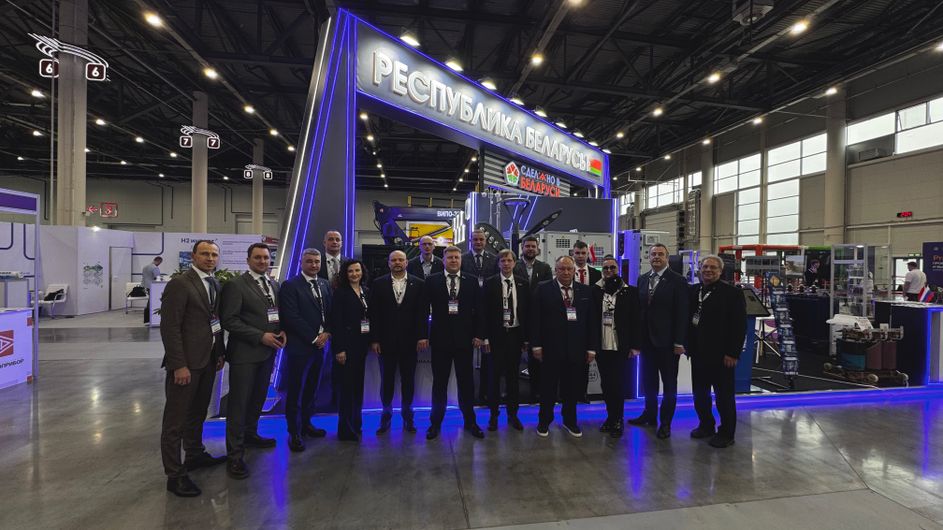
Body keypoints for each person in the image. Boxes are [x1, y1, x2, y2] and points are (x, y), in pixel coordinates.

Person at [159, 240, 226, 498]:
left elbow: (215, 322)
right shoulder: (180, 284)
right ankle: (174, 475)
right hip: (186, 364)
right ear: (194, 256)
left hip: (207, 361)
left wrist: (219, 353)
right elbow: (170, 328)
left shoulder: (214, 283)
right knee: (174, 422)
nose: (210, 258)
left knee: (198, 413)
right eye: (205, 254)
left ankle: (195, 454)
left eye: (214, 254)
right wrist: (179, 365)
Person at [218, 243, 282, 480]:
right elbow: (229, 320)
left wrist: (281, 330)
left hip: (267, 353)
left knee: (257, 399)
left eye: (266, 258)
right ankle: (235, 455)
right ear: (248, 260)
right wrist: (260, 336)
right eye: (258, 258)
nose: (263, 261)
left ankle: (250, 434)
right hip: (245, 354)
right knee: (239, 404)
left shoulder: (272, 284)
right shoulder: (236, 285)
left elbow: (274, 314)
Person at [530, 255, 600, 438]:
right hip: (550, 348)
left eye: (569, 269)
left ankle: (570, 420)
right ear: (556, 270)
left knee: (572, 388)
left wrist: (591, 348)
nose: (566, 272)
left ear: (574, 270)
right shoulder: (543, 289)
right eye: (562, 269)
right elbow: (535, 319)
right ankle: (544, 421)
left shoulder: (585, 291)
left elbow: (592, 321)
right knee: (548, 388)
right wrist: (536, 345)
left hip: (576, 349)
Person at [424, 245, 486, 440]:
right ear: (443, 260)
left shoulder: (472, 281)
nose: (453, 260)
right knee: (439, 384)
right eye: (449, 257)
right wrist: (423, 335)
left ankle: (470, 421)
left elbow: (480, 311)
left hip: (465, 341)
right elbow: (423, 310)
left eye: (456, 258)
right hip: (440, 340)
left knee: (466, 383)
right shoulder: (432, 281)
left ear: (461, 260)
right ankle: (435, 423)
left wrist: (479, 335)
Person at [628, 243, 689, 440]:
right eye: (653, 254)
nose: (656, 257)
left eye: (660, 254)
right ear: (649, 257)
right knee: (649, 382)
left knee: (669, 385)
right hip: (647, 342)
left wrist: (679, 341)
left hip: (668, 343)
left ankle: (666, 423)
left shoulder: (678, 281)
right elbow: (640, 312)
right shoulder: (643, 279)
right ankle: (650, 414)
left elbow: (682, 313)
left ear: (667, 257)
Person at [687, 255, 746, 448]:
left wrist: (733, 353)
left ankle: (727, 433)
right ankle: (706, 425)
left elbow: (739, 326)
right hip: (698, 354)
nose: (708, 270)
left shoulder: (732, 294)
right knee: (700, 394)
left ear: (720, 271)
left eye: (713, 267)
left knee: (724, 397)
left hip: (722, 356)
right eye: (705, 267)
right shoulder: (694, 290)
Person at [278, 249, 331, 453]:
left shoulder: (324, 284)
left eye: (317, 261)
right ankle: (294, 431)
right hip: (300, 347)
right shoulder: (290, 285)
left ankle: (307, 424)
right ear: (301, 262)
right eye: (309, 261)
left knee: (312, 388)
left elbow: (330, 312)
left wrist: (327, 333)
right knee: (296, 390)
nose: (314, 265)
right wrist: (314, 338)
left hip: (320, 347)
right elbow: (291, 317)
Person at [369, 250, 428, 435]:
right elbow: (374, 314)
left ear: (406, 263)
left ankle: (407, 415)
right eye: (393, 260)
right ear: (388, 263)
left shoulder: (419, 283)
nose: (397, 262)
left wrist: (422, 336)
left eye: (400, 259)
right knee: (387, 380)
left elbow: (422, 313)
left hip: (410, 342)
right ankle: (386, 415)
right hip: (385, 342)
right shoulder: (378, 284)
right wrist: (375, 339)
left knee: (408, 380)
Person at [593, 255, 642, 438]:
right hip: (602, 345)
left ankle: (618, 419)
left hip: (621, 346)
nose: (609, 271)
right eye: (605, 268)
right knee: (606, 384)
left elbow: (636, 320)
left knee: (618, 384)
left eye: (612, 267)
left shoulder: (630, 292)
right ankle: (610, 417)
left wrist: (635, 346)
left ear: (618, 269)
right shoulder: (595, 291)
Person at [481, 249, 529, 431]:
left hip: (515, 335)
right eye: (503, 261)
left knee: (513, 378)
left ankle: (513, 414)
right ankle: (493, 415)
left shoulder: (523, 283)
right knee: (494, 377)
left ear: (514, 263)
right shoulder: (490, 283)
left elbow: (527, 313)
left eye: (509, 260)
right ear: (499, 263)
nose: (506, 264)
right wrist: (485, 338)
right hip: (496, 336)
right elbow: (484, 313)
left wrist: (526, 339)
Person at [330, 259, 371, 442]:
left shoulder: (365, 291)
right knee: (346, 390)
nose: (354, 274)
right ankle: (345, 430)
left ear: (362, 272)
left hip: (361, 346)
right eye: (350, 271)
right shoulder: (341, 293)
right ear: (345, 274)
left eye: (357, 270)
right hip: (346, 347)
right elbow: (336, 323)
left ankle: (356, 424)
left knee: (357, 388)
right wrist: (339, 349)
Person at [514, 235, 552, 404]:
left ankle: (536, 393)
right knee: (514, 358)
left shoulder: (544, 268)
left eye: (533, 246)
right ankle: (513, 393)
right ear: (522, 248)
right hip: (518, 315)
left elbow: (548, 289)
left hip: (538, 317)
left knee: (537, 358)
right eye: (527, 246)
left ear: (538, 249)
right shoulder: (514, 265)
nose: (530, 249)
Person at [142, 256, 163, 324]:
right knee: (151, 303)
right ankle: (149, 320)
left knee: (149, 302)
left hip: (146, 286)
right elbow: (158, 278)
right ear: (158, 261)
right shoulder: (155, 268)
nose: (159, 264)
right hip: (153, 287)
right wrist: (161, 279)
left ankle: (147, 320)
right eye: (160, 262)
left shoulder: (145, 267)